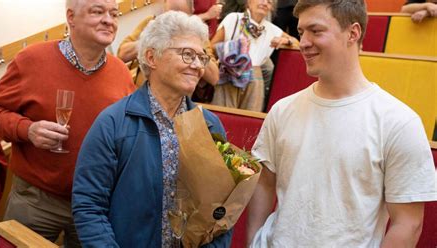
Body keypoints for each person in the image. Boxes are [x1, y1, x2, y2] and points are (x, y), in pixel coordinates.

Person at [246, 0, 437, 247]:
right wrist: (253, 241)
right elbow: (265, 182)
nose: (303, 42)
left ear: (353, 33)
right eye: (301, 32)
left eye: (316, 31)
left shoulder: (399, 122)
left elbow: (408, 224)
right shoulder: (282, 110)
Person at [72, 11, 232, 247]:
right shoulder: (113, 123)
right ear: (151, 58)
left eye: (202, 57)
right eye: (187, 54)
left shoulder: (210, 125)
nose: (198, 66)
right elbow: (89, 205)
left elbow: (222, 209)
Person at [0, 0, 136, 246]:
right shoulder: (31, 60)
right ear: (71, 17)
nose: (109, 20)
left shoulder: (121, 73)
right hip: (36, 200)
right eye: (98, 12)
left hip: (95, 203)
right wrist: (27, 129)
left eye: (114, 14)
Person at [210, 0, 298, 112]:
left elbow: (297, 43)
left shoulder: (271, 29)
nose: (265, 3)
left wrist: (285, 41)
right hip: (230, 73)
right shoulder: (234, 18)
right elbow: (212, 46)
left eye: (269, 2)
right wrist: (234, 48)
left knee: (249, 120)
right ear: (249, 2)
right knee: (223, 115)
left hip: (255, 79)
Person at [117, 0, 220, 89]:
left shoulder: (198, 35)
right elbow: (122, 54)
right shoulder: (151, 23)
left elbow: (214, 77)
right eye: (170, 17)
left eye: (180, 18)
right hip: (142, 91)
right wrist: (154, 39)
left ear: (190, 14)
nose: (174, 24)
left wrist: (192, 47)